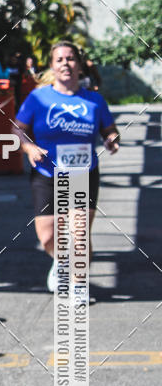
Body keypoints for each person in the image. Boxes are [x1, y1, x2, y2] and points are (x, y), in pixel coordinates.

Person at [14, 40, 120, 294]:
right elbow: (18, 129)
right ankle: (61, 261)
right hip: (46, 173)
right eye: (59, 60)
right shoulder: (38, 98)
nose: (66, 64)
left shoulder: (94, 100)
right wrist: (29, 147)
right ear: (52, 66)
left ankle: (79, 286)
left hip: (83, 173)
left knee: (79, 233)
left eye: (70, 59)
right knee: (48, 237)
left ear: (80, 65)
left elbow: (110, 129)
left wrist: (111, 139)